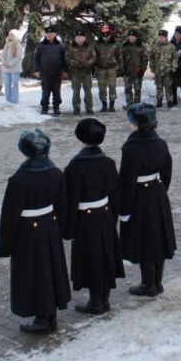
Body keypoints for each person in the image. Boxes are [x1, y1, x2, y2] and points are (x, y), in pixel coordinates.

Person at [0, 129, 71, 334]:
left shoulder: (18, 180)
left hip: (27, 234)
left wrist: (4, 246)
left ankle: (43, 318)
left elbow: (9, 217)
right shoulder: (56, 173)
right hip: (50, 228)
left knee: (35, 274)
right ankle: (50, 314)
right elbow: (63, 206)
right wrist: (64, 229)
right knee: (50, 270)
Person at [63, 118, 124, 314]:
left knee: (91, 259)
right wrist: (113, 215)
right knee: (105, 255)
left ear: (81, 139)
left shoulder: (74, 167)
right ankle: (103, 298)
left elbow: (70, 200)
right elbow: (116, 193)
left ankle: (97, 301)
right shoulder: (108, 162)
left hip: (85, 219)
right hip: (105, 215)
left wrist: (68, 228)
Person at [119, 103, 177, 296]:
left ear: (135, 124)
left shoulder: (131, 148)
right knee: (158, 239)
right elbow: (167, 171)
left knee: (145, 241)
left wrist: (124, 209)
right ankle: (157, 283)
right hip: (157, 193)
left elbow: (127, 181)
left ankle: (148, 284)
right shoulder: (161, 143)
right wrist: (160, 190)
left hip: (140, 197)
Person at [33, 25, 66, 116]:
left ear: (55, 34)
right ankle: (44, 108)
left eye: (51, 33)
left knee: (56, 91)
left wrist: (65, 70)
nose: (50, 35)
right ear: (46, 34)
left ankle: (56, 108)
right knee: (46, 92)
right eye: (48, 33)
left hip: (57, 73)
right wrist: (36, 70)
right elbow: (36, 58)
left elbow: (64, 59)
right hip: (45, 72)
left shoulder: (60, 45)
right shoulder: (41, 45)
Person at [67, 30, 97, 116]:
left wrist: (86, 64)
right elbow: (68, 58)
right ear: (75, 38)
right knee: (76, 92)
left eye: (81, 37)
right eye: (77, 37)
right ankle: (76, 108)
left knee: (88, 91)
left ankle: (89, 108)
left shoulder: (89, 47)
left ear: (84, 38)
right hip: (75, 73)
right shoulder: (71, 47)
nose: (79, 39)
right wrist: (76, 64)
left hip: (86, 72)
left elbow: (94, 57)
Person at [94, 26, 121, 113]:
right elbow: (94, 57)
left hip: (112, 68)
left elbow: (119, 56)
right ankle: (104, 105)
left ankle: (112, 106)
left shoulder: (115, 44)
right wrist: (94, 68)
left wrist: (120, 67)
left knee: (112, 87)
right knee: (102, 87)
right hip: (100, 69)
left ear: (110, 35)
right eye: (104, 36)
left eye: (107, 35)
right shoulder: (97, 45)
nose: (105, 37)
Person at [150, 30, 178, 108]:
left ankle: (169, 101)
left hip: (167, 71)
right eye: (160, 37)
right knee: (159, 87)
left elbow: (175, 58)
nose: (161, 38)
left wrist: (173, 68)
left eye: (163, 37)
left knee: (168, 87)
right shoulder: (155, 46)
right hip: (158, 71)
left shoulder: (171, 46)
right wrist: (152, 67)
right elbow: (151, 58)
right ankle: (159, 101)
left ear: (166, 37)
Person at [120, 30, 148, 107]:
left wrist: (142, 70)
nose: (131, 38)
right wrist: (121, 70)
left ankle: (137, 104)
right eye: (130, 36)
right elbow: (120, 59)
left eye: (133, 36)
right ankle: (129, 103)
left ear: (136, 37)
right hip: (127, 72)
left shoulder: (141, 46)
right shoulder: (124, 46)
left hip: (137, 71)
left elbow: (145, 59)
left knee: (137, 89)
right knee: (127, 89)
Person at [0, 30, 23, 104]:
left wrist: (9, 64)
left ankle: (14, 101)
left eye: (12, 35)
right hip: (6, 68)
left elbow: (19, 57)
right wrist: (3, 62)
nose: (10, 36)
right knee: (7, 85)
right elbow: (3, 55)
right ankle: (8, 100)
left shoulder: (18, 45)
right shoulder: (6, 45)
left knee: (15, 85)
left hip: (15, 68)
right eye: (9, 34)